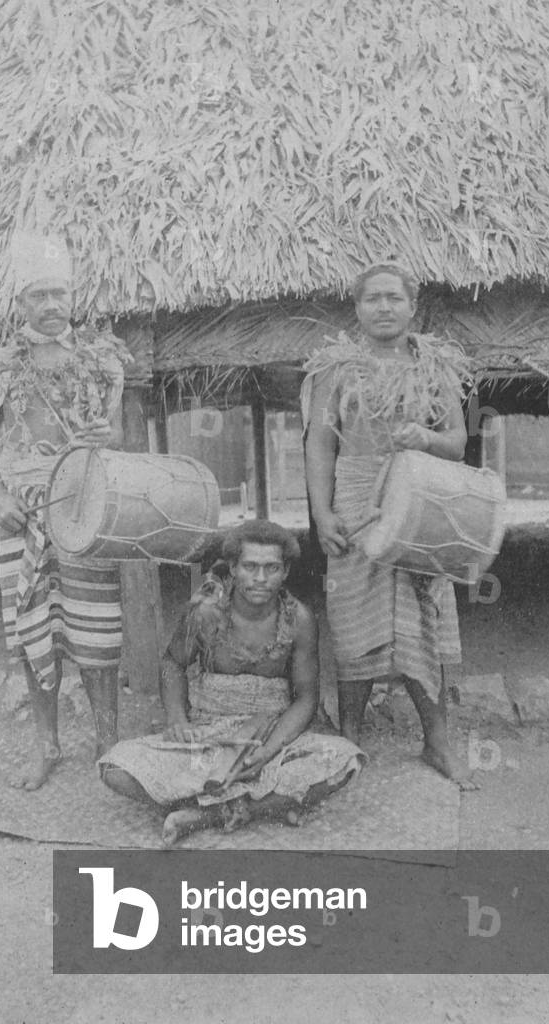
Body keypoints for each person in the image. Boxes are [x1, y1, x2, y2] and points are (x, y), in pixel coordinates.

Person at [302, 262, 478, 790]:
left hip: (419, 499)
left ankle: (437, 741)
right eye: (372, 299)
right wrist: (322, 514)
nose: (384, 308)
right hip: (356, 500)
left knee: (425, 615)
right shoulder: (336, 369)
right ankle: (351, 736)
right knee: (353, 615)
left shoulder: (435, 366)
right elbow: (320, 444)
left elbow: (457, 442)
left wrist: (424, 440)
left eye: (393, 299)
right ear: (356, 309)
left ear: (412, 306)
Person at [0, 231, 132, 790]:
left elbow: (119, 435)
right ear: (21, 304)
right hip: (24, 514)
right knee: (36, 630)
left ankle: (108, 744)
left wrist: (108, 433)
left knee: (97, 630)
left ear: (72, 297)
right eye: (39, 295)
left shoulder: (100, 361)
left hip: (86, 510)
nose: (51, 305)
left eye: (59, 293)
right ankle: (47, 745)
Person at [99, 520, 365, 845]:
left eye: (272, 568)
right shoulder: (206, 613)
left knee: (344, 760)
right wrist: (178, 720)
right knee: (115, 767)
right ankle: (266, 805)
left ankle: (205, 814)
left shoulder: (299, 619)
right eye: (250, 567)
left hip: (269, 735)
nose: (260, 578)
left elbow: (306, 697)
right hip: (207, 737)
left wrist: (266, 753)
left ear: (286, 571)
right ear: (234, 568)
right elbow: (172, 663)